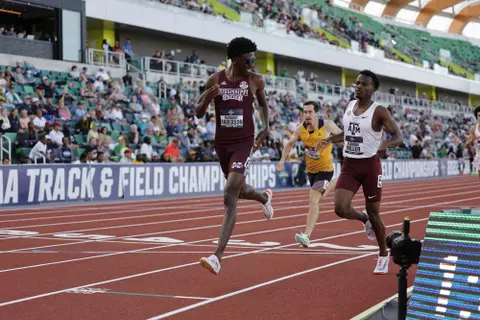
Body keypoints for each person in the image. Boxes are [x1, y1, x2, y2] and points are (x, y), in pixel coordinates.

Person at [196, 37, 274, 275]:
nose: (253, 62)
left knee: (230, 194)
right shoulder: (215, 79)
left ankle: (217, 256)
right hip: (222, 144)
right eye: (250, 58)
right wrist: (208, 98)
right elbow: (199, 113)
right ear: (237, 59)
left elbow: (262, 105)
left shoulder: (255, 80)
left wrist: (265, 126)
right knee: (239, 190)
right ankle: (263, 197)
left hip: (243, 143)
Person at [316, 70, 403, 274]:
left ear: (373, 89)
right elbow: (348, 133)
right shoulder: (349, 106)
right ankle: (363, 219)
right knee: (340, 208)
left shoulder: (379, 111)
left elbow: (398, 135)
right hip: (350, 165)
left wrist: (386, 144)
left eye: (363, 84)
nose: (358, 86)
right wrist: (329, 140)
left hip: (370, 166)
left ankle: (383, 254)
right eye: (356, 83)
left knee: (375, 213)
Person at [276, 101, 342, 247]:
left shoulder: (328, 125)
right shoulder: (301, 129)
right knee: (320, 198)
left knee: (313, 198)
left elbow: (343, 137)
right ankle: (335, 182)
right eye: (304, 112)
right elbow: (289, 143)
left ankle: (306, 235)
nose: (306, 115)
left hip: (325, 170)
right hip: (311, 171)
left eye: (310, 112)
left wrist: (333, 143)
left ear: (316, 113)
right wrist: (281, 161)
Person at [466, 106, 480, 177]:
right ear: (476, 117)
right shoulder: (473, 128)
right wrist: (473, 138)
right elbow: (467, 144)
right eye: (479, 115)